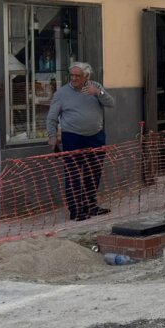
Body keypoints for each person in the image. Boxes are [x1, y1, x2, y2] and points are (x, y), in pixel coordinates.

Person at [47, 62, 115, 221]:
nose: (74, 79)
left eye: (78, 76)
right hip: (72, 137)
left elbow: (111, 103)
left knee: (94, 173)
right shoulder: (62, 93)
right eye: (72, 75)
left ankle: (91, 205)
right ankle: (76, 210)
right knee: (73, 175)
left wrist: (98, 92)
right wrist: (52, 136)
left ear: (87, 76)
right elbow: (51, 117)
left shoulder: (96, 87)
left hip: (96, 136)